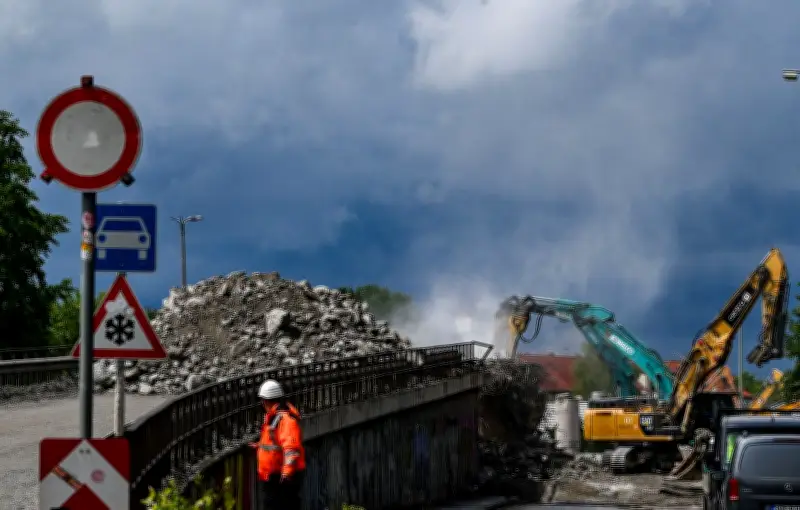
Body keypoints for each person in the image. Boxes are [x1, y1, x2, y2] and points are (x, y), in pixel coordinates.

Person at [249, 379, 306, 510]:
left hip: (281, 479)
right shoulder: (273, 419)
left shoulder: (285, 421)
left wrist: (286, 474)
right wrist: (258, 446)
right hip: (273, 478)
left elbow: (291, 450)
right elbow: (274, 444)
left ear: (265, 401)